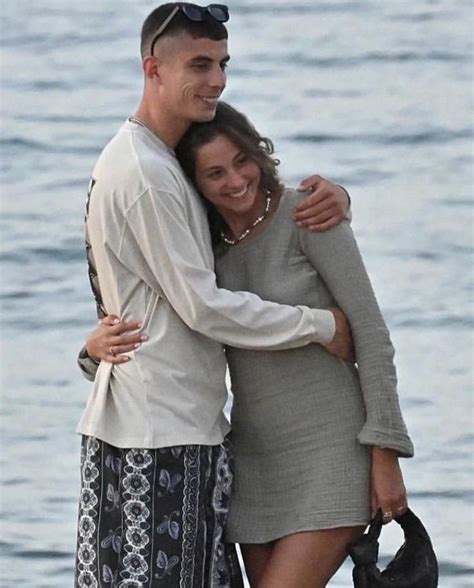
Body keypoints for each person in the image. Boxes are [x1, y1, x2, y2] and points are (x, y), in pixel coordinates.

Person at [74, 4, 353, 587]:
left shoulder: (156, 160)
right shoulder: (146, 173)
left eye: (223, 64)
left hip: (164, 428)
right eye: (199, 65)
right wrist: (321, 325)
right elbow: (201, 305)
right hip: (161, 438)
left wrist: (330, 200)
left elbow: (234, 222)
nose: (217, 80)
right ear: (153, 68)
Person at [86, 101, 414, 588]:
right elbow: (169, 332)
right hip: (253, 466)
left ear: (260, 155)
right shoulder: (204, 252)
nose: (236, 180)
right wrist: (93, 352)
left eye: (242, 161)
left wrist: (385, 455)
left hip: (332, 453)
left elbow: (373, 337)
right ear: (193, 184)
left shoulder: (308, 214)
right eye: (215, 173)